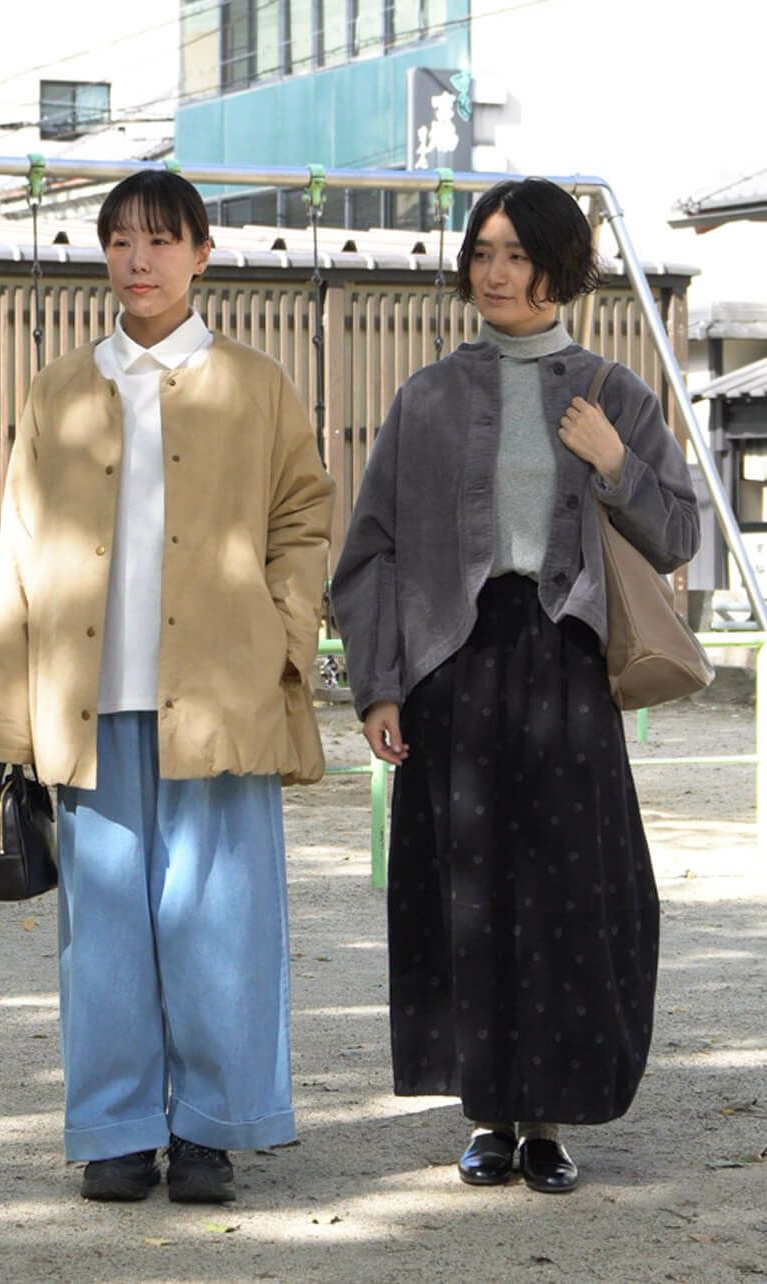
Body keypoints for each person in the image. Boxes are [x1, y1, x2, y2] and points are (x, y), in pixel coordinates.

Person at [330, 177, 699, 1194]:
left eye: (516, 254)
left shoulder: (614, 393)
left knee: (571, 893)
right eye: (481, 253)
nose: (494, 273)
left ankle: (548, 1121)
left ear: (559, 266)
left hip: (567, 666)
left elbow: (679, 535)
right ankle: (487, 1115)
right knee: (467, 891)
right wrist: (379, 686)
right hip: (452, 665)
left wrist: (615, 462)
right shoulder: (427, 398)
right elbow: (369, 552)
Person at [0, 170, 334, 1204]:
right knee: (102, 934)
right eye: (120, 242)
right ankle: (117, 1131)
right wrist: (14, 718)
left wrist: (282, 638)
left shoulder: (256, 383)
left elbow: (302, 519)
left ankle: (210, 1129)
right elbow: (19, 548)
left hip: (219, 694)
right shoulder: (56, 389)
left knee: (220, 922)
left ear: (201, 254)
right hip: (87, 703)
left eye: (161, 240)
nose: (139, 261)